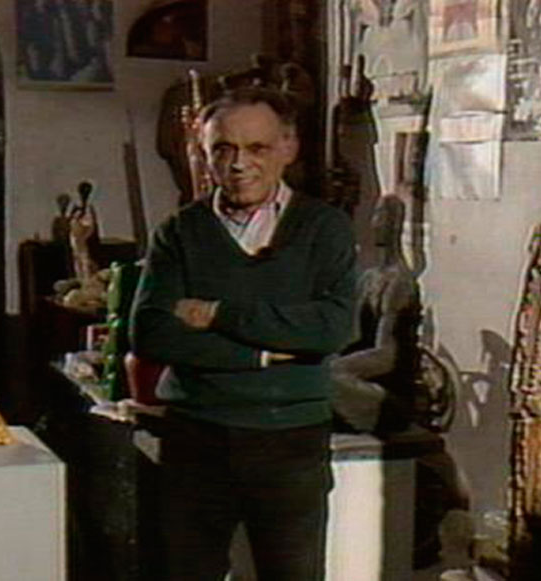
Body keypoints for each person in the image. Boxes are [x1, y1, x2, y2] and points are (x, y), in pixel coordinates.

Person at [129, 87, 357, 580]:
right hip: (196, 437)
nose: (238, 164)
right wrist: (265, 356)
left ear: (288, 147)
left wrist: (218, 314)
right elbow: (151, 334)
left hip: (290, 442)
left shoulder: (325, 228)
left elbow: (333, 328)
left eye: (257, 148)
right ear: (204, 153)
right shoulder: (179, 232)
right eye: (223, 149)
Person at [330, 194, 423, 435]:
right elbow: (353, 336)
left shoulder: (399, 282)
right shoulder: (370, 278)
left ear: (397, 225)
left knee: (329, 375)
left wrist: (338, 367)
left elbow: (386, 356)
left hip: (389, 388)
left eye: (384, 216)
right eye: (376, 215)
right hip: (361, 373)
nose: (377, 222)